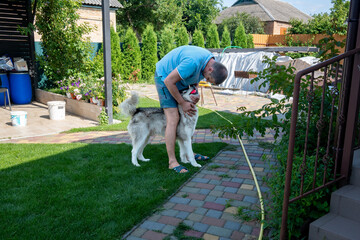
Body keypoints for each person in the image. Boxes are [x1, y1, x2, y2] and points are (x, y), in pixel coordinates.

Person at [155, 45, 228, 173]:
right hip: (164, 78)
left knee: (188, 116)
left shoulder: (209, 60)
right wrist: (182, 102)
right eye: (208, 78)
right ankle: (172, 162)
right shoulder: (192, 62)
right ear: (210, 69)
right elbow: (169, 81)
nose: (206, 80)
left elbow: (196, 79)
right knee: (174, 118)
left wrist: (195, 93)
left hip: (178, 80)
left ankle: (190, 153)